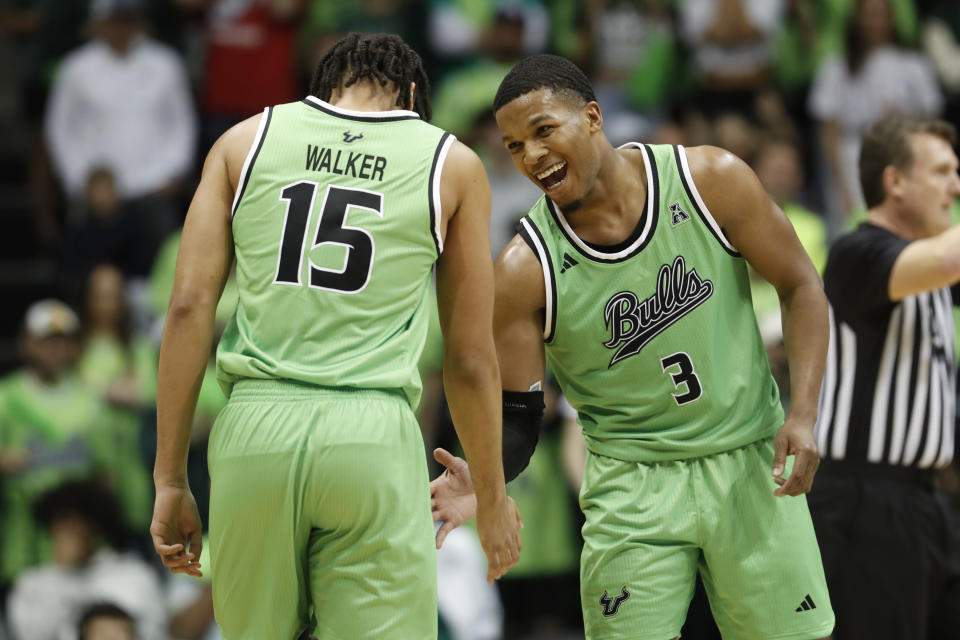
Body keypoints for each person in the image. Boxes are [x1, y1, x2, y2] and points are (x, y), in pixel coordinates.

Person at [430, 54, 835, 640]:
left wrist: (803, 413)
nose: (532, 155)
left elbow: (802, 286)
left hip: (751, 460)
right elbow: (520, 415)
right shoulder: (522, 270)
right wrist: (486, 476)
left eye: (544, 131)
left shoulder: (710, 180)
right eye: (516, 146)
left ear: (592, 117)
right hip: (632, 485)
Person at [149, 32, 522, 640]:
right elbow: (471, 357)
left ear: (324, 89)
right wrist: (491, 490)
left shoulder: (246, 140)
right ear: (410, 96)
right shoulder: (449, 162)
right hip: (372, 436)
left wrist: (169, 479)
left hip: (253, 431)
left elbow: (189, 308)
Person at [808, 115, 960, 639]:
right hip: (865, 502)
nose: (956, 188)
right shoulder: (857, 253)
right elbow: (948, 256)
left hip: (927, 502)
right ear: (895, 182)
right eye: (942, 172)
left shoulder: (936, 271)